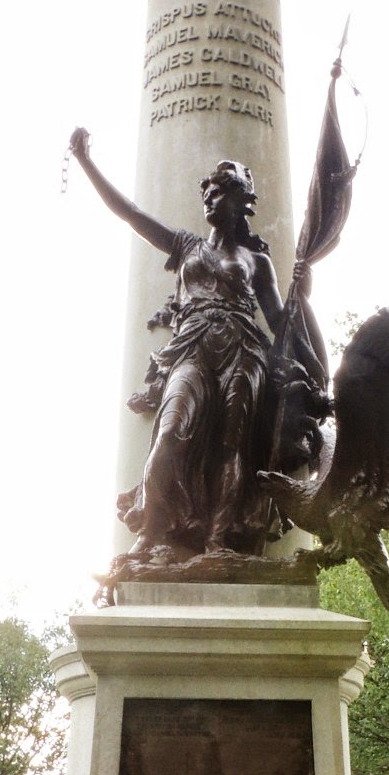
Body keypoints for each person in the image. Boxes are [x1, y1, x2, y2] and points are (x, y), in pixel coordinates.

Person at [68, 129, 306, 560]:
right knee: (170, 433)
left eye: (220, 193)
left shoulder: (257, 262)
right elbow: (130, 214)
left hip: (243, 350)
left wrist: (306, 360)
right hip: (192, 346)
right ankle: (150, 532)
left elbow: (281, 321)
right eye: (207, 194)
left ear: (240, 202)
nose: (210, 201)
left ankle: (219, 539)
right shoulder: (185, 245)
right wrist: (87, 164)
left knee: (234, 446)